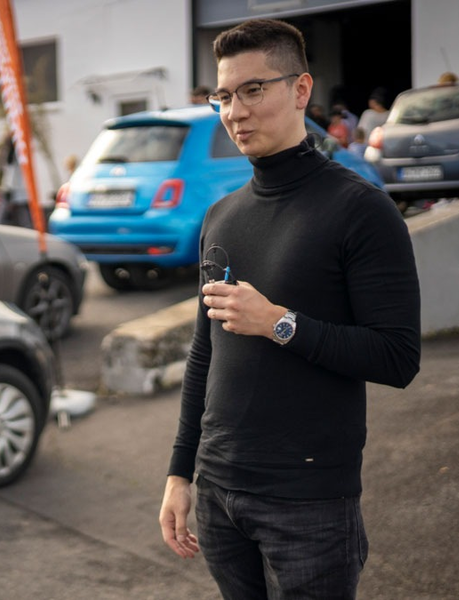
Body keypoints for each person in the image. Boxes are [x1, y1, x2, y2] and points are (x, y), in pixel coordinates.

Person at [159, 18, 420, 600]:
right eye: (224, 96)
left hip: (308, 502)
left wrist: (279, 324)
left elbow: (398, 357)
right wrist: (180, 472)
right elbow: (205, 353)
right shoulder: (221, 216)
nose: (235, 112)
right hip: (219, 492)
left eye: (253, 90)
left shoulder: (361, 210)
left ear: (301, 90)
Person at [0, 134, 32, 228]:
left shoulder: (16, 153)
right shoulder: (9, 152)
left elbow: (4, 169)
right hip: (11, 187)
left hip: (14, 188)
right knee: (5, 213)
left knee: (20, 214)